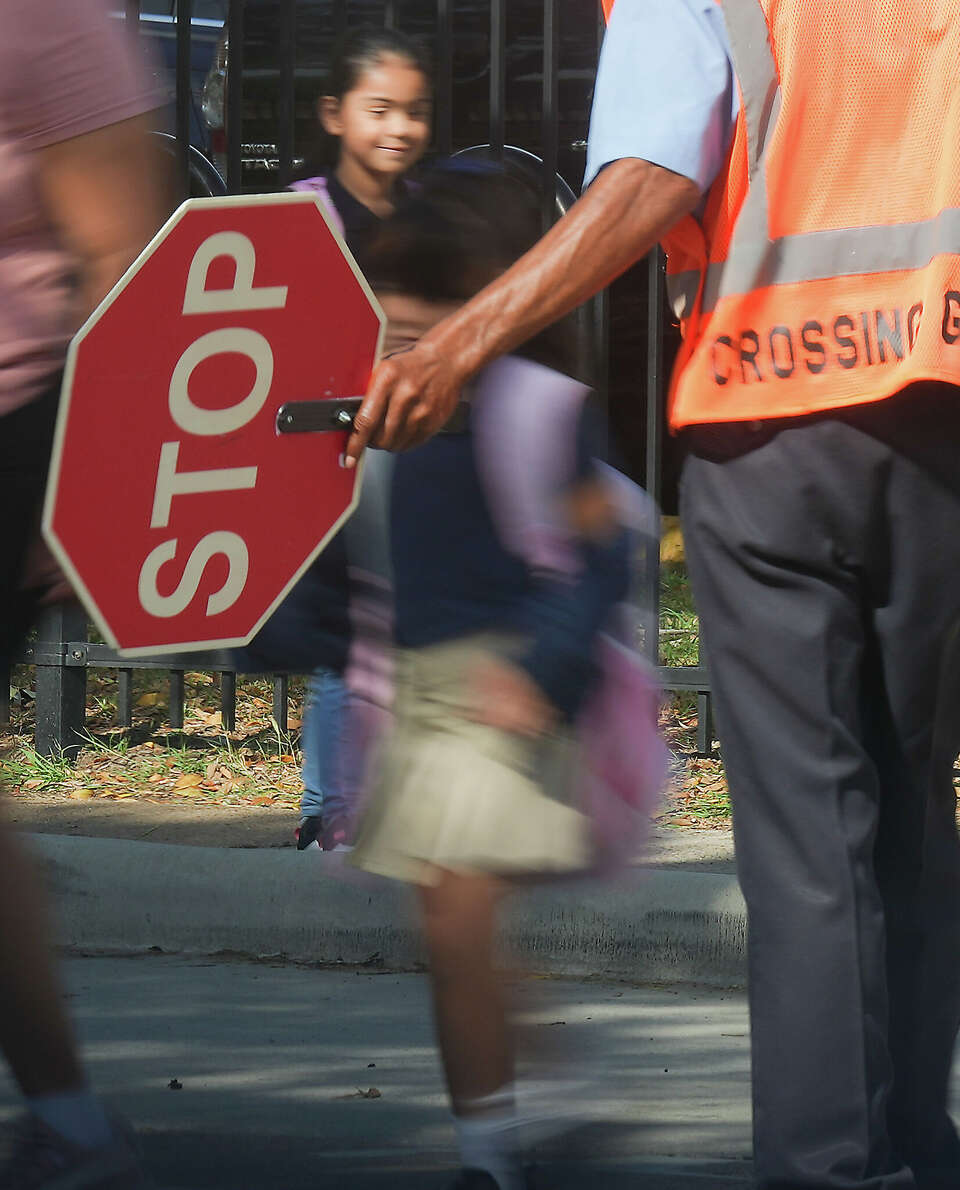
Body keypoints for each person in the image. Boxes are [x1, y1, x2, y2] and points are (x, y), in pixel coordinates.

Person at [343, 3, 960, 1189]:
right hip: (937, 414)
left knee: (809, 842)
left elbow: (658, 166)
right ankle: (921, 1151)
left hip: (764, 413)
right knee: (914, 807)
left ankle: (827, 1163)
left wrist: (461, 342)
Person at [349, 167, 662, 1190]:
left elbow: (603, 549)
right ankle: (548, 1094)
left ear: (489, 303)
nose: (404, 317)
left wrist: (540, 665)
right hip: (423, 705)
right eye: (391, 290)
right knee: (457, 933)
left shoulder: (541, 408)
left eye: (432, 295)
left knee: (455, 908)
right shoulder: (381, 408)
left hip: (508, 700)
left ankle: (488, 1153)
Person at [0, 1, 167, 1186]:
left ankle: (68, 1110)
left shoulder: (51, 19)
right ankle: (67, 1110)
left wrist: (87, 482)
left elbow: (124, 256)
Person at [262, 25, 431, 851]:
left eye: (415, 111)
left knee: (406, 633)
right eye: (380, 109)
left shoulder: (430, 216)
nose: (399, 128)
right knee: (347, 636)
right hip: (334, 457)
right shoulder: (303, 211)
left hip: (416, 451)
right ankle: (329, 812)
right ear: (334, 114)